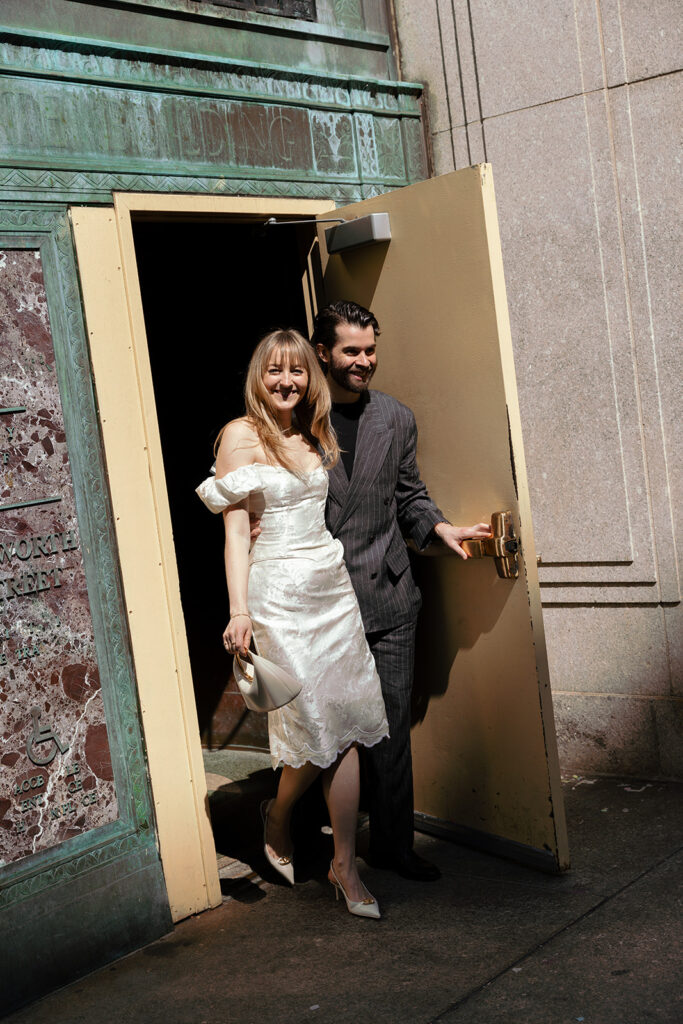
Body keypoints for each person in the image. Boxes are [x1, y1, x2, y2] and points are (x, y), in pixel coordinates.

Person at [196, 328, 388, 919]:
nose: (287, 381)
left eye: (298, 371)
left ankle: (344, 865)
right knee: (313, 721)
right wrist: (239, 610)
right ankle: (277, 814)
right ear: (260, 376)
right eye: (275, 371)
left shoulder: (315, 434)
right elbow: (234, 532)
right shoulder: (239, 436)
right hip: (276, 593)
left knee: (347, 723)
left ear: (311, 376)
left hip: (331, 589)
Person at [311, 300, 491, 882]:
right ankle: (320, 839)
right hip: (324, 603)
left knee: (389, 727)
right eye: (351, 352)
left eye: (370, 350)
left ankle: (394, 844)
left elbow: (409, 495)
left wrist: (440, 529)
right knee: (331, 731)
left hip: (389, 594)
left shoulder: (396, 417)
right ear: (323, 353)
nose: (364, 362)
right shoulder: (294, 422)